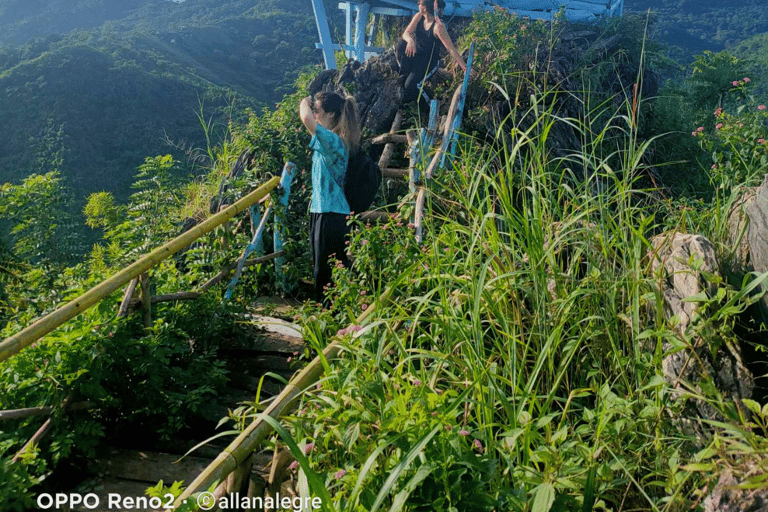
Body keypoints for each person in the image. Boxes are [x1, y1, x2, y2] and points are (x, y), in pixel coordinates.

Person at [298, 92, 361, 305]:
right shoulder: (329, 141)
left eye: (319, 111)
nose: (315, 114)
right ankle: (328, 317)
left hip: (331, 214)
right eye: (314, 110)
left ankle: (329, 319)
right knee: (322, 268)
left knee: (326, 272)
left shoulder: (334, 141)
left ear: (332, 115)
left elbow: (305, 119)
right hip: (323, 211)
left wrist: (304, 102)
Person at [396, 0, 469, 103]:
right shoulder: (419, 17)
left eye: (419, 4)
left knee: (410, 86)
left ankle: (431, 103)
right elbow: (406, 34)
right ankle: (403, 75)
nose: (418, 5)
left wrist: (464, 67)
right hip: (416, 56)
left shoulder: (438, 27)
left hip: (427, 62)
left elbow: (451, 49)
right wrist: (410, 40)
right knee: (401, 44)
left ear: (425, 8)